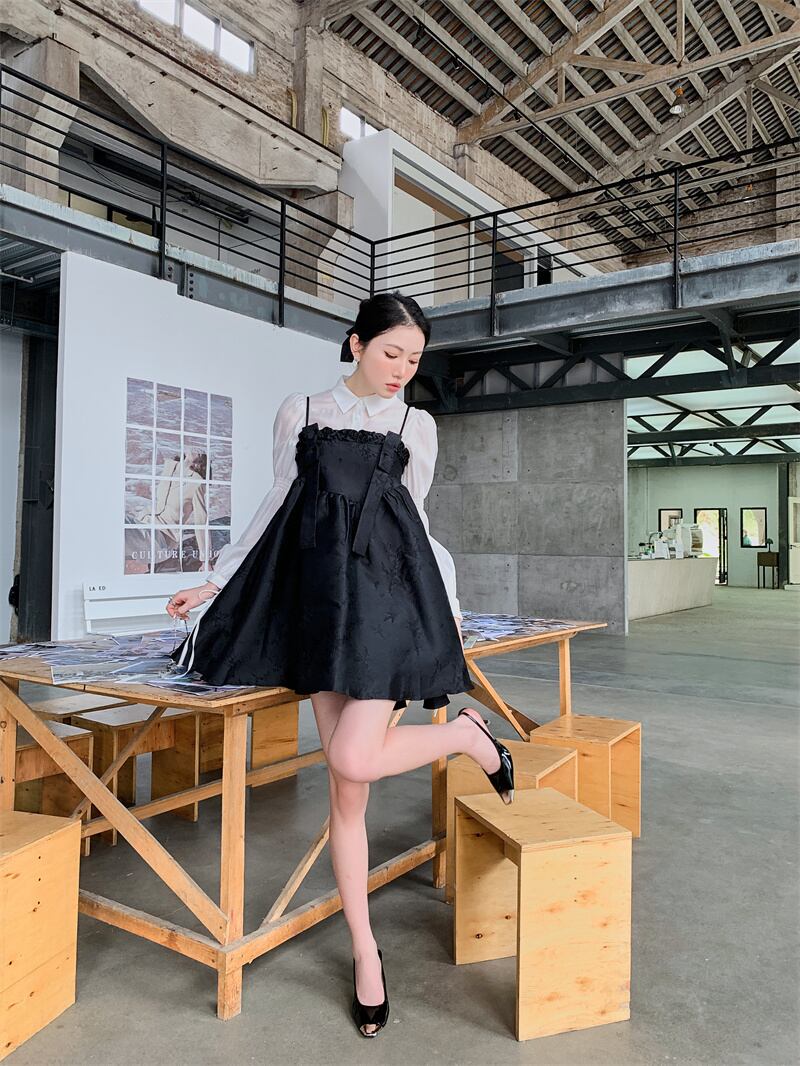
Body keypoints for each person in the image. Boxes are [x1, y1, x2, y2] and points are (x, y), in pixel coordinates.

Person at [166, 291, 514, 1037]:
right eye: (392, 353)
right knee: (346, 794)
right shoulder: (300, 411)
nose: (403, 370)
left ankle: (465, 736)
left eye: (414, 360)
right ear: (356, 343)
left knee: (354, 757)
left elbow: (417, 524)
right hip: (319, 609)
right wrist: (218, 581)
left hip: (386, 611)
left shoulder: (415, 426)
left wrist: (448, 603)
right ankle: (365, 952)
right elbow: (276, 503)